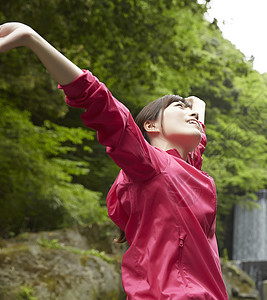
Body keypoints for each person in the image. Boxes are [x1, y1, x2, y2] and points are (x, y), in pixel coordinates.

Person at [0, 22, 228, 299]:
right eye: (179, 108)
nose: (192, 114)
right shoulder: (150, 164)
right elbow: (104, 107)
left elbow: (197, 144)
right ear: (151, 126)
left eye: (191, 112)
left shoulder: (188, 172)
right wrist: (32, 38)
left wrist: (197, 106)